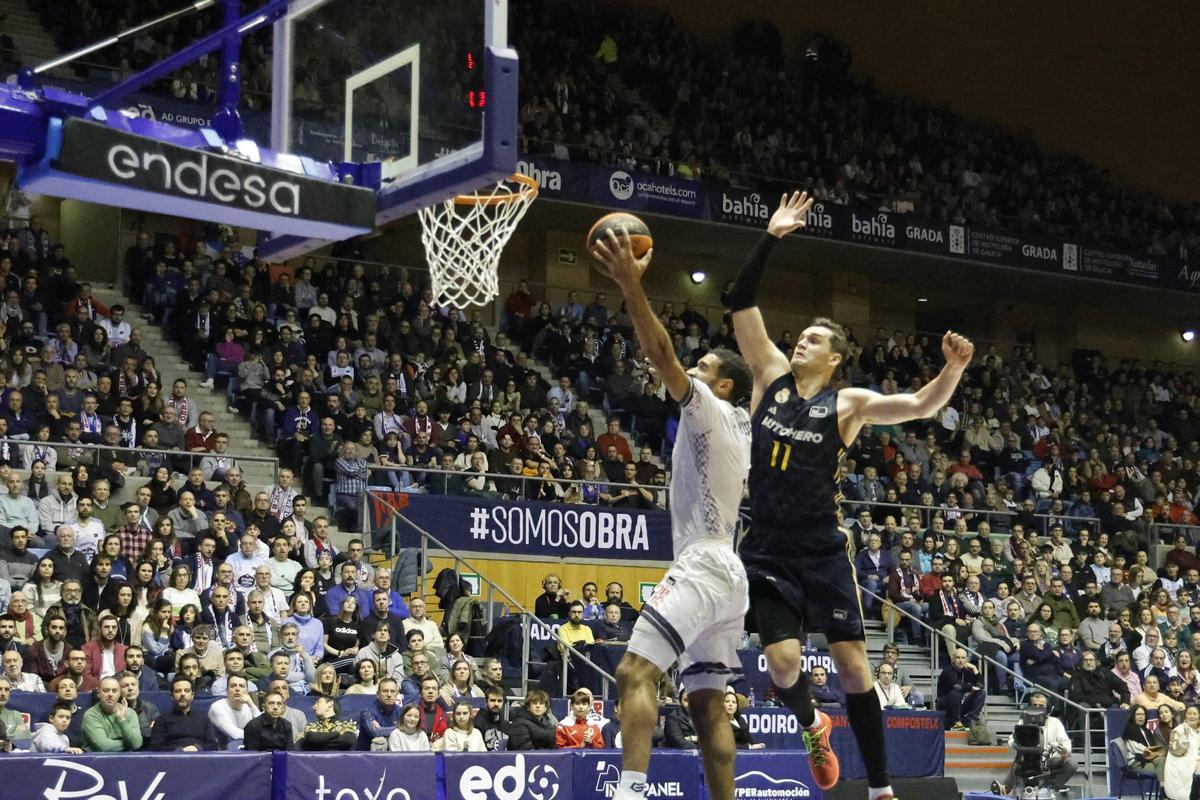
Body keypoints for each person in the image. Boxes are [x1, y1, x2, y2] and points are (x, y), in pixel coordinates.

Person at [727, 190, 975, 800]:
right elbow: (738, 300)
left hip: (821, 549)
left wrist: (952, 370)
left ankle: (881, 789)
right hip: (765, 547)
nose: (803, 340)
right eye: (802, 335)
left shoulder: (848, 403)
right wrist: (772, 235)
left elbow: (919, 405)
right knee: (784, 666)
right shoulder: (768, 375)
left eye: (815, 338)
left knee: (856, 667)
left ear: (836, 358)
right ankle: (814, 724)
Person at [592, 228, 754, 800]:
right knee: (709, 703)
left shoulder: (711, 407)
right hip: (730, 573)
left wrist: (632, 287)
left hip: (705, 561)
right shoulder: (745, 427)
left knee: (635, 673)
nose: (695, 368)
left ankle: (631, 791)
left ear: (724, 384)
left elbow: (660, 354)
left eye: (705, 365)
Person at [995, 693, 1076, 795]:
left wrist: (1065, 752)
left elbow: (1066, 742)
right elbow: (1011, 741)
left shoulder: (1055, 722)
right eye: (1034, 705)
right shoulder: (1022, 722)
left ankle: (1050, 787)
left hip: (1049, 760)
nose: (1037, 708)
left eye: (1041, 706)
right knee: (1019, 759)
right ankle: (1005, 789)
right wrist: (1018, 745)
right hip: (1029, 759)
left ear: (1048, 708)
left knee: (1071, 764)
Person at [147, 676, 220, 751]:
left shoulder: (204, 719)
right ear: (171, 696)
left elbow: (213, 745)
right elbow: (155, 747)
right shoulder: (161, 721)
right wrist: (179, 750)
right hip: (171, 760)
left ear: (192, 695)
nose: (182, 694)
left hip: (200, 758)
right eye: (178, 691)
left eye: (187, 690)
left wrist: (197, 748)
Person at [80, 676, 143, 752]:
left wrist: (121, 719)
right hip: (96, 761)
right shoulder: (91, 715)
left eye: (114, 691)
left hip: (126, 760)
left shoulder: (130, 713)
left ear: (120, 694)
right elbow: (104, 747)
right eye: (106, 690)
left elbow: (136, 744)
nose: (110, 694)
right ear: (98, 693)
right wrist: (128, 743)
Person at [937, 649, 985, 730]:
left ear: (966, 659)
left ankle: (970, 719)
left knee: (981, 693)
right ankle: (957, 721)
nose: (960, 660)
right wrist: (971, 687)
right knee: (957, 691)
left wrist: (976, 670)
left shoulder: (967, 671)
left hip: (961, 704)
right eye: (958, 657)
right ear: (953, 659)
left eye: (963, 658)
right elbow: (956, 684)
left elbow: (981, 685)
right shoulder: (947, 671)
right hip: (946, 705)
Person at [1121, 705, 1165, 781]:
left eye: (1143, 714)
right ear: (1133, 716)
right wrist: (1154, 752)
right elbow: (1137, 749)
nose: (1141, 717)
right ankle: (1162, 790)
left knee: (1162, 761)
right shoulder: (1129, 729)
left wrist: (1156, 753)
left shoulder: (1146, 730)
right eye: (1138, 714)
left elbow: (1152, 746)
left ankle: (1162, 789)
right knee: (1162, 770)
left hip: (1149, 759)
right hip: (1137, 762)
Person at [474, 686, 510, 751]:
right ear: (486, 701)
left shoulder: (506, 725)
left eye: (499, 701)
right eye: (492, 700)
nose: (496, 704)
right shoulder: (478, 723)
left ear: (503, 703)